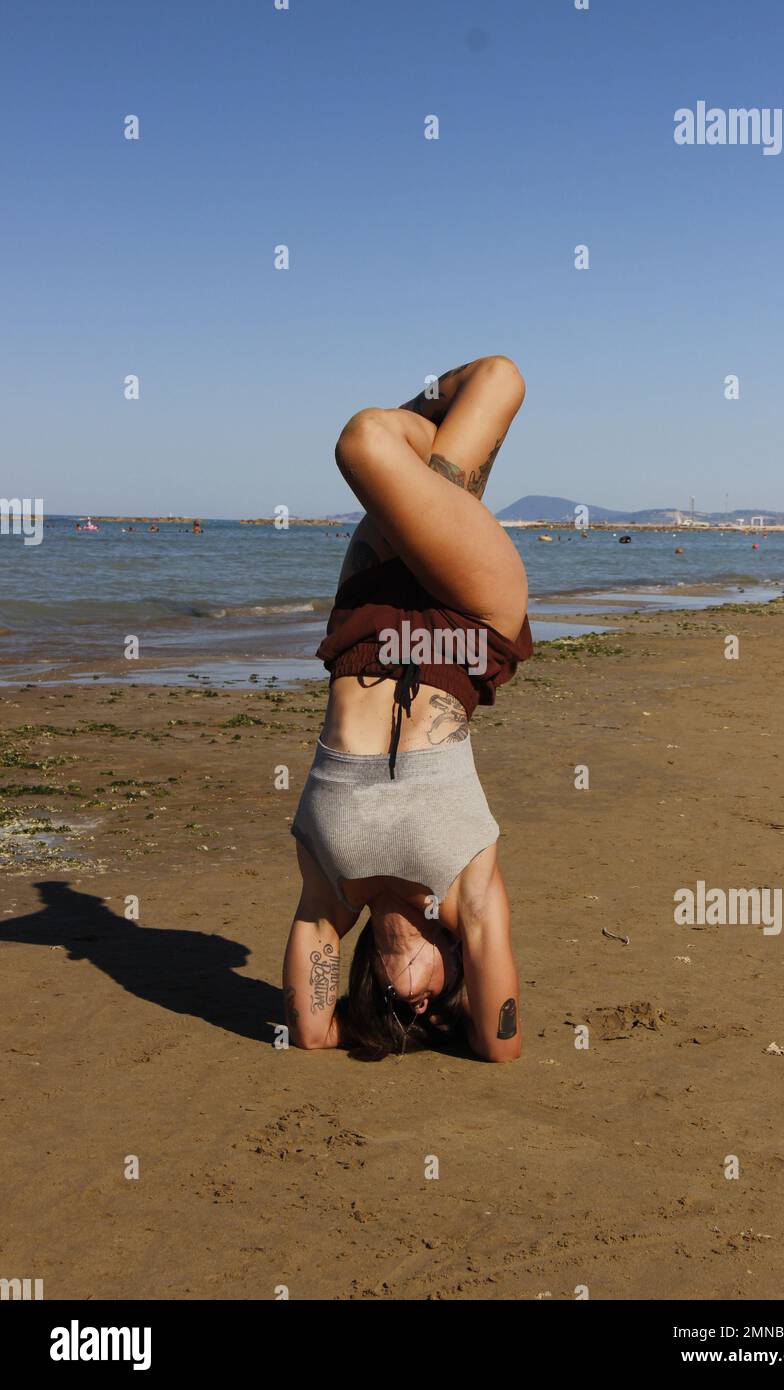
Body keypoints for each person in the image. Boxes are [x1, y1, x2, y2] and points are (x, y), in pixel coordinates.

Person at [283, 356, 532, 1061]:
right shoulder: (462, 891)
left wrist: (363, 1022)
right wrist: (454, 1023)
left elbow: (311, 1032)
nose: (423, 1001)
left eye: (404, 1006)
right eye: (441, 996)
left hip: (367, 619)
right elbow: (500, 1045)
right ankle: (428, 470)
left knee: (377, 439)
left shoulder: (333, 892)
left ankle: (428, 466)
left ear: (368, 979)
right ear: (458, 955)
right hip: (472, 620)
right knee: (492, 382)